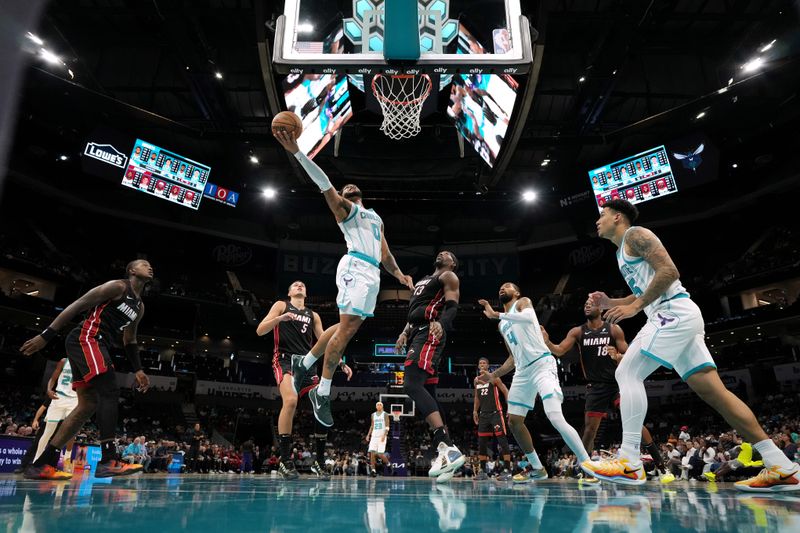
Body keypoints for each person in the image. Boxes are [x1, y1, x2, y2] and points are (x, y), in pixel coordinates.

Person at [580, 199, 799, 491]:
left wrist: (637, 307)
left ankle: (630, 461)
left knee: (627, 373)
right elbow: (645, 291)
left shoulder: (637, 235)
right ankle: (781, 466)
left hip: (673, 313)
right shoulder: (622, 253)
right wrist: (614, 302)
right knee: (717, 394)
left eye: (602, 215)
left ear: (617, 217)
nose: (597, 221)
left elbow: (669, 272)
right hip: (676, 316)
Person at [273, 129, 413, 429]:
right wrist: (298, 152)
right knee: (346, 331)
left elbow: (385, 254)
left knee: (343, 327)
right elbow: (323, 182)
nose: (347, 185)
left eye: (351, 184)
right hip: (355, 269)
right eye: (343, 186)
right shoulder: (343, 209)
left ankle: (304, 363)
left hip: (373, 273)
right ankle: (322, 392)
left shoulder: (375, 218)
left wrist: (399, 274)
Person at [20, 259, 152, 480]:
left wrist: (138, 369)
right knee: (109, 391)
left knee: (88, 404)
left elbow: (129, 339)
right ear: (131, 270)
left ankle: (43, 464)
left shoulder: (139, 307)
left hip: (96, 344)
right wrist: (46, 335)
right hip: (87, 338)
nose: (150, 267)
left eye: (150, 265)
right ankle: (109, 460)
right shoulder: (118, 287)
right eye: (144, 264)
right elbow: (78, 304)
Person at [541, 302, 673, 483]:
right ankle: (588, 473)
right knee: (589, 430)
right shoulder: (577, 332)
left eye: (591, 304)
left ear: (601, 309)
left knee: (635, 424)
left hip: (617, 382)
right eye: (585, 304)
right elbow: (559, 350)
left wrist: (618, 356)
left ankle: (662, 467)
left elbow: (631, 355)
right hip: (595, 387)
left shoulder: (614, 329)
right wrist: (547, 341)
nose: (586, 306)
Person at [477, 283, 594, 484]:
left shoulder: (522, 303)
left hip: (541, 363)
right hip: (522, 372)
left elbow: (530, 318)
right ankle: (538, 468)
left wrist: (496, 314)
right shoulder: (502, 325)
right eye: (500, 287)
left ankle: (588, 466)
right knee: (514, 421)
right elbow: (512, 358)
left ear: (517, 292)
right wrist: (493, 375)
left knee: (555, 416)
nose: (502, 288)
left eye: (507, 286)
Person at [256, 280, 353, 480]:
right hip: (285, 360)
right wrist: (280, 318)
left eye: (302, 285)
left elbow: (327, 341)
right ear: (289, 292)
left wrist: (341, 363)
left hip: (307, 363)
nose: (299, 285)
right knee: (290, 400)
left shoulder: (313, 315)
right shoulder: (281, 305)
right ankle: (285, 460)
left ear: (306, 293)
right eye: (295, 284)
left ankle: (318, 461)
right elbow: (260, 330)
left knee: (322, 404)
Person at [394, 251, 464, 481]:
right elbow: (415, 307)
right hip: (416, 332)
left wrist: (442, 324)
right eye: (440, 252)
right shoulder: (425, 280)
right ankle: (449, 457)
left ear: (452, 263)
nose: (442, 253)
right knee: (429, 391)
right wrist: (404, 332)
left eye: (448, 254)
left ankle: (444, 444)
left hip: (429, 332)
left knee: (411, 385)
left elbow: (452, 307)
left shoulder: (449, 277)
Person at [32, 358, 78, 470]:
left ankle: (67, 460)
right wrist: (48, 390)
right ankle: (36, 462)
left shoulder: (85, 363)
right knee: (47, 432)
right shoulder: (63, 361)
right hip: (58, 398)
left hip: (74, 399)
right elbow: (52, 379)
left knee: (71, 431)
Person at [472, 357, 511, 481]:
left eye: (484, 363)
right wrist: (474, 411)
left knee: (502, 441)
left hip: (496, 413)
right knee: (482, 443)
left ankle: (507, 470)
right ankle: (483, 471)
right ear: (478, 366)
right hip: (483, 415)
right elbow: (477, 397)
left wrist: (509, 407)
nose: (482, 365)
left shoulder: (494, 377)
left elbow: (505, 390)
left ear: (488, 366)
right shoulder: (476, 381)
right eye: (480, 363)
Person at [365, 402, 390, 477]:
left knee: (380, 454)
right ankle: (373, 471)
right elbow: (372, 426)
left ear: (382, 406)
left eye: (380, 405)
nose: (379, 406)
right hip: (374, 436)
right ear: (376, 407)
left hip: (382, 436)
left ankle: (389, 464)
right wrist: (368, 435)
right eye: (377, 405)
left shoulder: (385, 414)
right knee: (372, 453)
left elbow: (387, 426)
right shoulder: (373, 415)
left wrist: (384, 435)